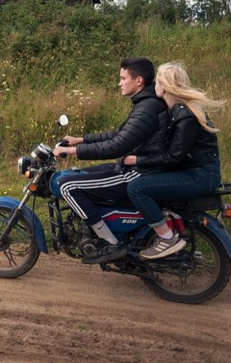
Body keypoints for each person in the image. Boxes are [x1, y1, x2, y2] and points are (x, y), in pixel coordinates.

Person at [51, 57, 168, 264]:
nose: (120, 83)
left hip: (138, 173)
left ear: (138, 80)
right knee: (82, 174)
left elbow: (116, 146)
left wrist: (71, 151)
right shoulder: (145, 103)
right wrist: (80, 139)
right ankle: (96, 228)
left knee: (66, 184)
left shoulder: (147, 109)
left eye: (123, 78)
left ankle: (110, 243)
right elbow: (119, 133)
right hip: (133, 167)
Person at [123, 62, 223, 259]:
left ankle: (167, 238)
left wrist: (137, 159)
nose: (154, 86)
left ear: (165, 87)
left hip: (200, 176)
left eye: (157, 82)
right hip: (194, 171)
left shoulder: (186, 116)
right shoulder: (177, 110)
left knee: (137, 188)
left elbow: (172, 156)